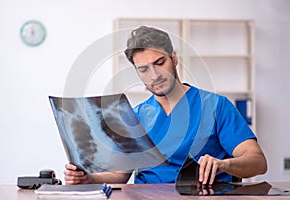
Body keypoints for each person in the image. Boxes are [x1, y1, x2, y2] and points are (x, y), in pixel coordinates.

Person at [64, 26, 267, 185]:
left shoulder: (215, 106)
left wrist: (224, 165)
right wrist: (89, 178)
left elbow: (257, 162)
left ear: (174, 58)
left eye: (160, 63)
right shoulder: (135, 116)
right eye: (143, 69)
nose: (154, 76)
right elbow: (120, 174)